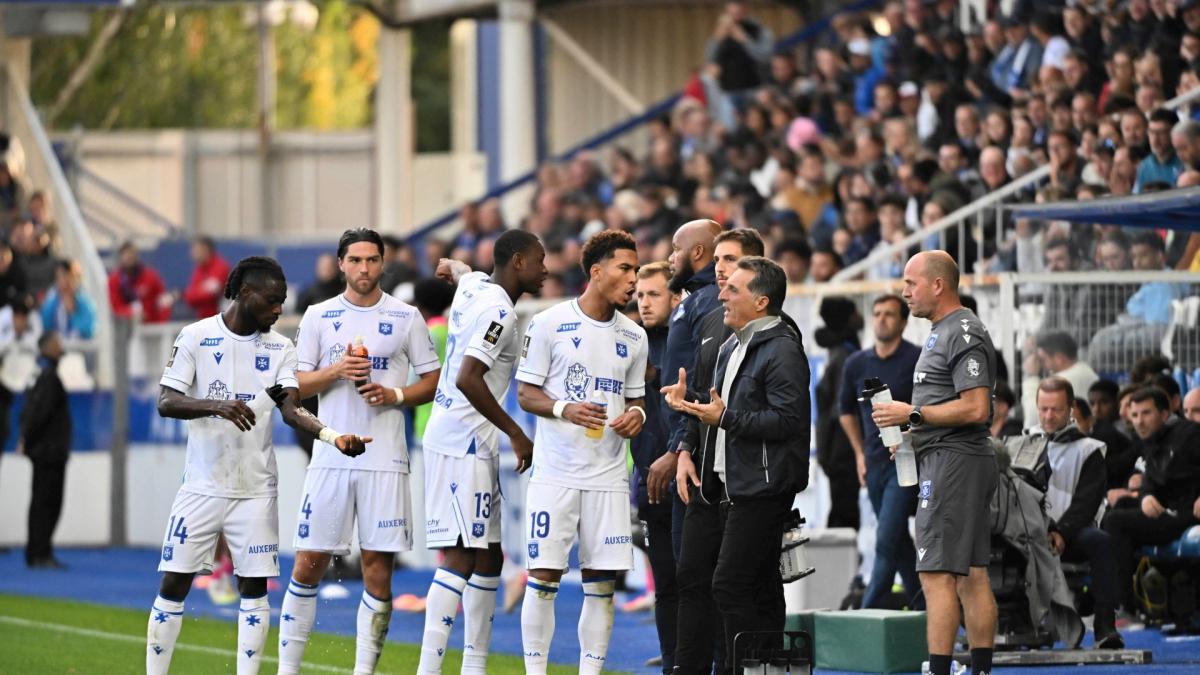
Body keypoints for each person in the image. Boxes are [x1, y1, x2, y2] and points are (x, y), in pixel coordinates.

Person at [146, 256, 369, 675]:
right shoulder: (196, 336)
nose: (279, 308)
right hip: (201, 486)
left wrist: (332, 436)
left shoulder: (280, 348)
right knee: (174, 582)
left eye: (282, 300)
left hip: (256, 490)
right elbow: (166, 401)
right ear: (245, 293)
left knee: (254, 589)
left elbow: (292, 409)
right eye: (271, 300)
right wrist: (217, 406)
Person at [277, 229, 441, 675]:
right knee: (308, 563)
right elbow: (294, 384)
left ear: (382, 263)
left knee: (378, 570)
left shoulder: (406, 316)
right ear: (341, 264)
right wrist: (336, 370)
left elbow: (433, 380)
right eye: (355, 260)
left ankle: (364, 670)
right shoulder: (319, 315)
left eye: (371, 260)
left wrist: (396, 395)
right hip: (330, 455)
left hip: (385, 459)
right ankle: (287, 669)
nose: (364, 268)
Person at [666, 256, 810, 671]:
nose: (722, 294)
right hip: (729, 487)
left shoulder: (782, 348)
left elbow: (788, 420)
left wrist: (726, 418)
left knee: (730, 585)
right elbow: (721, 409)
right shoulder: (734, 343)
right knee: (750, 586)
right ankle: (758, 667)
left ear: (761, 301)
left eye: (733, 289)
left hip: (763, 488)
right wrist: (689, 406)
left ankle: (743, 669)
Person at [515, 230, 648, 675]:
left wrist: (637, 415)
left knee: (602, 583)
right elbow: (526, 393)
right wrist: (564, 408)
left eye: (636, 269)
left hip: (608, 476)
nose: (633, 279)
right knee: (544, 577)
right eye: (625, 268)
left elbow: (636, 398)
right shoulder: (549, 323)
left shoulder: (634, 335)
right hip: (555, 473)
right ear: (597, 271)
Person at [414, 231, 547, 675]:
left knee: (490, 554)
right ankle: (429, 669)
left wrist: (450, 265)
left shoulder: (475, 286)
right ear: (518, 262)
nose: (546, 269)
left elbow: (462, 272)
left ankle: (474, 666)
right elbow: (468, 377)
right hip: (463, 442)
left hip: (465, 438)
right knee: (461, 554)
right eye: (539, 260)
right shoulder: (499, 313)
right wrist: (516, 432)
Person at [871, 251, 997, 675]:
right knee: (971, 573)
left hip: (954, 462)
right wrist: (913, 434)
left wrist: (912, 415)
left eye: (911, 283)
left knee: (936, 573)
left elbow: (976, 408)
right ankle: (980, 670)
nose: (905, 291)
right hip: (953, 457)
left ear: (938, 285)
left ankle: (940, 670)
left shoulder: (961, 331)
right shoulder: (944, 331)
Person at [663, 227, 765, 674]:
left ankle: (733, 667)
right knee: (691, 578)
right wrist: (685, 446)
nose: (721, 269)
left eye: (731, 260)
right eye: (719, 259)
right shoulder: (711, 318)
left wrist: (701, 432)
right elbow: (700, 396)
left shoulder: (777, 339)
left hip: (746, 482)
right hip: (703, 469)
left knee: (735, 585)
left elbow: (788, 420)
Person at [839, 294, 923, 609]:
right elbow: (845, 411)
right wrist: (859, 454)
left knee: (886, 538)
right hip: (873, 463)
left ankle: (867, 611)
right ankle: (925, 609)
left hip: (905, 460)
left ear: (903, 322)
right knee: (897, 540)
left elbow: (926, 407)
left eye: (889, 314)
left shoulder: (916, 359)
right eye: (876, 313)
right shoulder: (856, 363)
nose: (881, 319)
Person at [1028, 377, 1124, 648]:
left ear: (1070, 408)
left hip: (1070, 534)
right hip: (1028, 531)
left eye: (1056, 409)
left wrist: (1061, 532)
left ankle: (1105, 628)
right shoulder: (1024, 442)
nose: (1048, 416)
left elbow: (1087, 503)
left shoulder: (1089, 449)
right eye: (1043, 409)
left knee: (1101, 541)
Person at [1102, 387, 1200, 613]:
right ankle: (1138, 599)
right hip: (1167, 509)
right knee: (1117, 508)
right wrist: (1146, 497)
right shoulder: (1153, 440)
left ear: (1164, 414)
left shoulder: (1190, 433)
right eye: (1135, 415)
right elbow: (1151, 480)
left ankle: (1123, 607)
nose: (1139, 421)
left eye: (1146, 413)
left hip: (1186, 511)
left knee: (1117, 522)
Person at [658, 219, 722, 558]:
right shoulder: (696, 299)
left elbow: (701, 381)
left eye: (675, 250)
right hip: (689, 446)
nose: (670, 258)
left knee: (692, 566)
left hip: (696, 454)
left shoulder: (707, 302)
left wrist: (679, 448)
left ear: (697, 252)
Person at [630, 260, 681, 673]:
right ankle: (673, 660)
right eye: (640, 295)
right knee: (665, 583)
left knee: (696, 581)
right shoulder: (631, 341)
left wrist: (654, 374)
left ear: (675, 297)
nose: (644, 303)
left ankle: (701, 658)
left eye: (653, 294)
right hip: (647, 477)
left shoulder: (689, 338)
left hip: (688, 476)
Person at [20, 331, 69, 569]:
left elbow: (29, 410)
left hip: (41, 450)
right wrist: (30, 438)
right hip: (49, 451)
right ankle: (41, 552)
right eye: (57, 343)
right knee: (48, 504)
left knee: (39, 502)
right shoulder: (49, 376)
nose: (61, 347)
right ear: (47, 347)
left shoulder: (37, 372)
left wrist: (26, 439)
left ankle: (36, 551)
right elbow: (40, 414)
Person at [815, 296, 862, 531]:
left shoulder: (840, 351)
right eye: (854, 312)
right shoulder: (844, 354)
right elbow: (840, 408)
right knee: (844, 511)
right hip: (841, 445)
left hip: (836, 444)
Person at [108, 241, 170, 323]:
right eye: (126, 255)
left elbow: (163, 300)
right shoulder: (115, 280)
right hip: (126, 327)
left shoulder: (151, 276)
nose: (130, 257)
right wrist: (131, 313)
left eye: (132, 254)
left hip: (152, 324)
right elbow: (116, 307)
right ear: (121, 257)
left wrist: (160, 323)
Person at [40, 259, 95, 340]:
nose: (60, 280)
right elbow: (46, 324)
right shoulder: (52, 299)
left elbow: (88, 329)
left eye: (64, 276)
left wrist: (72, 313)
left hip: (80, 345)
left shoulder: (85, 301)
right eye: (58, 277)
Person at [183, 236, 230, 319]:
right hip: (205, 319)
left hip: (222, 320)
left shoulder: (220, 266)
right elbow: (189, 298)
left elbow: (209, 295)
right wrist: (198, 291)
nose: (192, 253)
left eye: (196, 250)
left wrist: (196, 292)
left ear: (205, 249)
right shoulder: (199, 269)